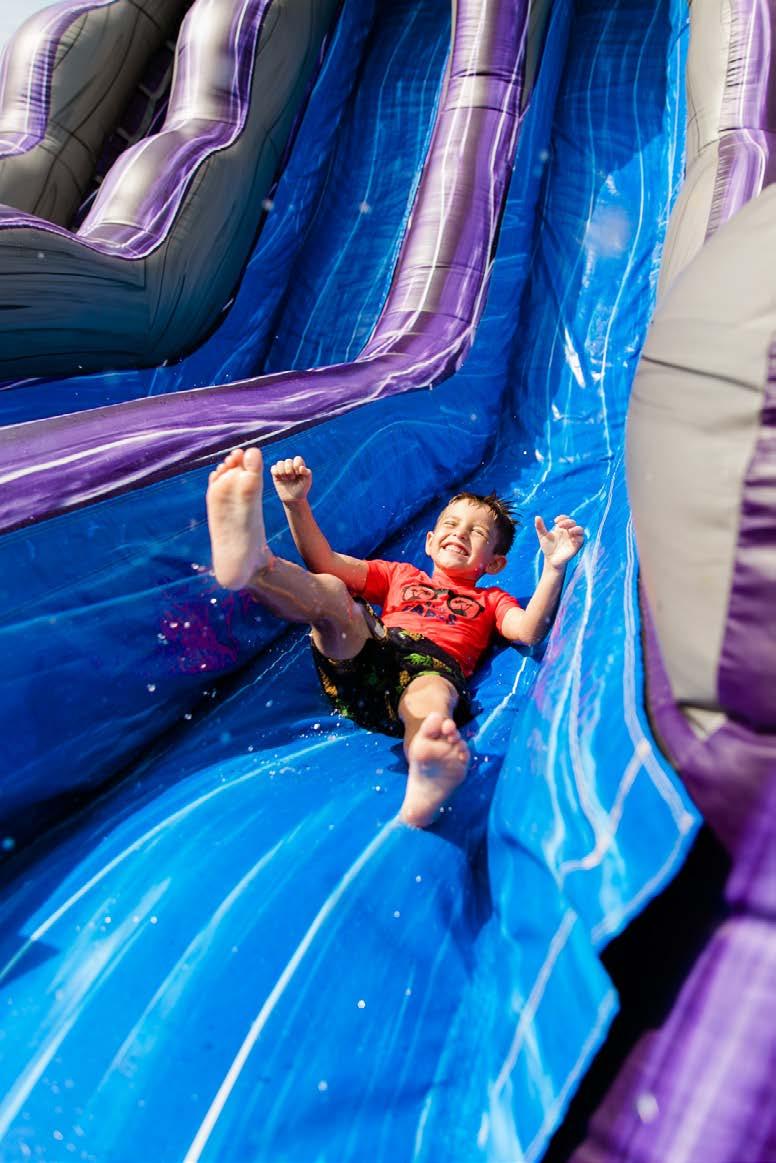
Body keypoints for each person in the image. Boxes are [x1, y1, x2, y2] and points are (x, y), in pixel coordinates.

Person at [206, 447, 585, 828]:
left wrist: (554, 568)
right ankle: (255, 569)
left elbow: (529, 630)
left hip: (429, 668)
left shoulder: (491, 600)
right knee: (334, 594)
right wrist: (296, 503)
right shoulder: (399, 575)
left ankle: (427, 765)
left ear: (495, 564)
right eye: (451, 524)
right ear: (430, 541)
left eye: (477, 532)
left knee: (431, 691)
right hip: (365, 659)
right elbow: (325, 563)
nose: (460, 533)